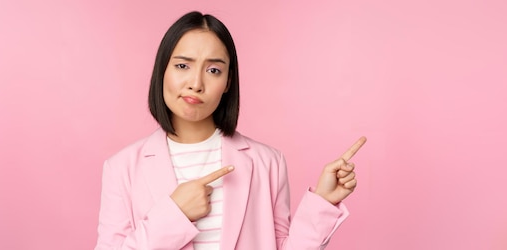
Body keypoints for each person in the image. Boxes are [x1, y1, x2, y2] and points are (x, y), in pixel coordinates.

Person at [95, 11, 366, 250]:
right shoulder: (121, 168)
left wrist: (323, 202)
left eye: (213, 70)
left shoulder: (267, 162)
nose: (196, 83)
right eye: (182, 66)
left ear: (227, 82)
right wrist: (174, 214)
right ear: (162, 70)